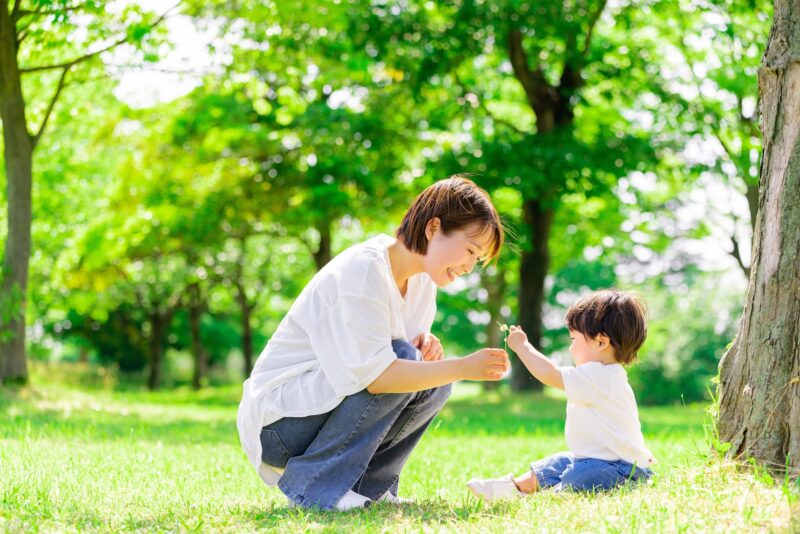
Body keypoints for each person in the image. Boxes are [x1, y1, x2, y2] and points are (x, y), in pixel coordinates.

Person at [237, 176, 510, 511]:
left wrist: (427, 354)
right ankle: (315, 486)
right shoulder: (364, 270)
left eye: (477, 259)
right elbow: (379, 376)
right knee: (418, 365)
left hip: (324, 411)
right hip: (281, 426)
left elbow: (405, 364)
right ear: (434, 228)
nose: (469, 267)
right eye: (470, 251)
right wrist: (461, 367)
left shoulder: (423, 283)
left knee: (434, 382)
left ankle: (370, 488)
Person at [467, 289, 656, 500]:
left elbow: (550, 374)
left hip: (624, 471)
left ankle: (547, 495)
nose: (571, 347)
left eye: (574, 339)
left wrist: (523, 347)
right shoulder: (602, 375)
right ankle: (514, 487)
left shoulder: (600, 376)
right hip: (599, 461)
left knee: (580, 475)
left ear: (601, 342)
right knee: (560, 463)